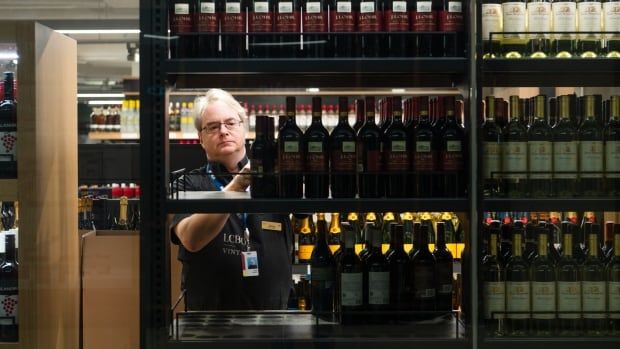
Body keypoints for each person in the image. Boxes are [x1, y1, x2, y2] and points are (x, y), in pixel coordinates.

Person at [170, 89, 293, 310]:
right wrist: (237, 186)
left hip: (274, 319)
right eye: (213, 127)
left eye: (230, 123)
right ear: (200, 138)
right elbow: (191, 238)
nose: (223, 131)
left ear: (243, 128)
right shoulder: (188, 184)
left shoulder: (274, 178)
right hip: (210, 324)